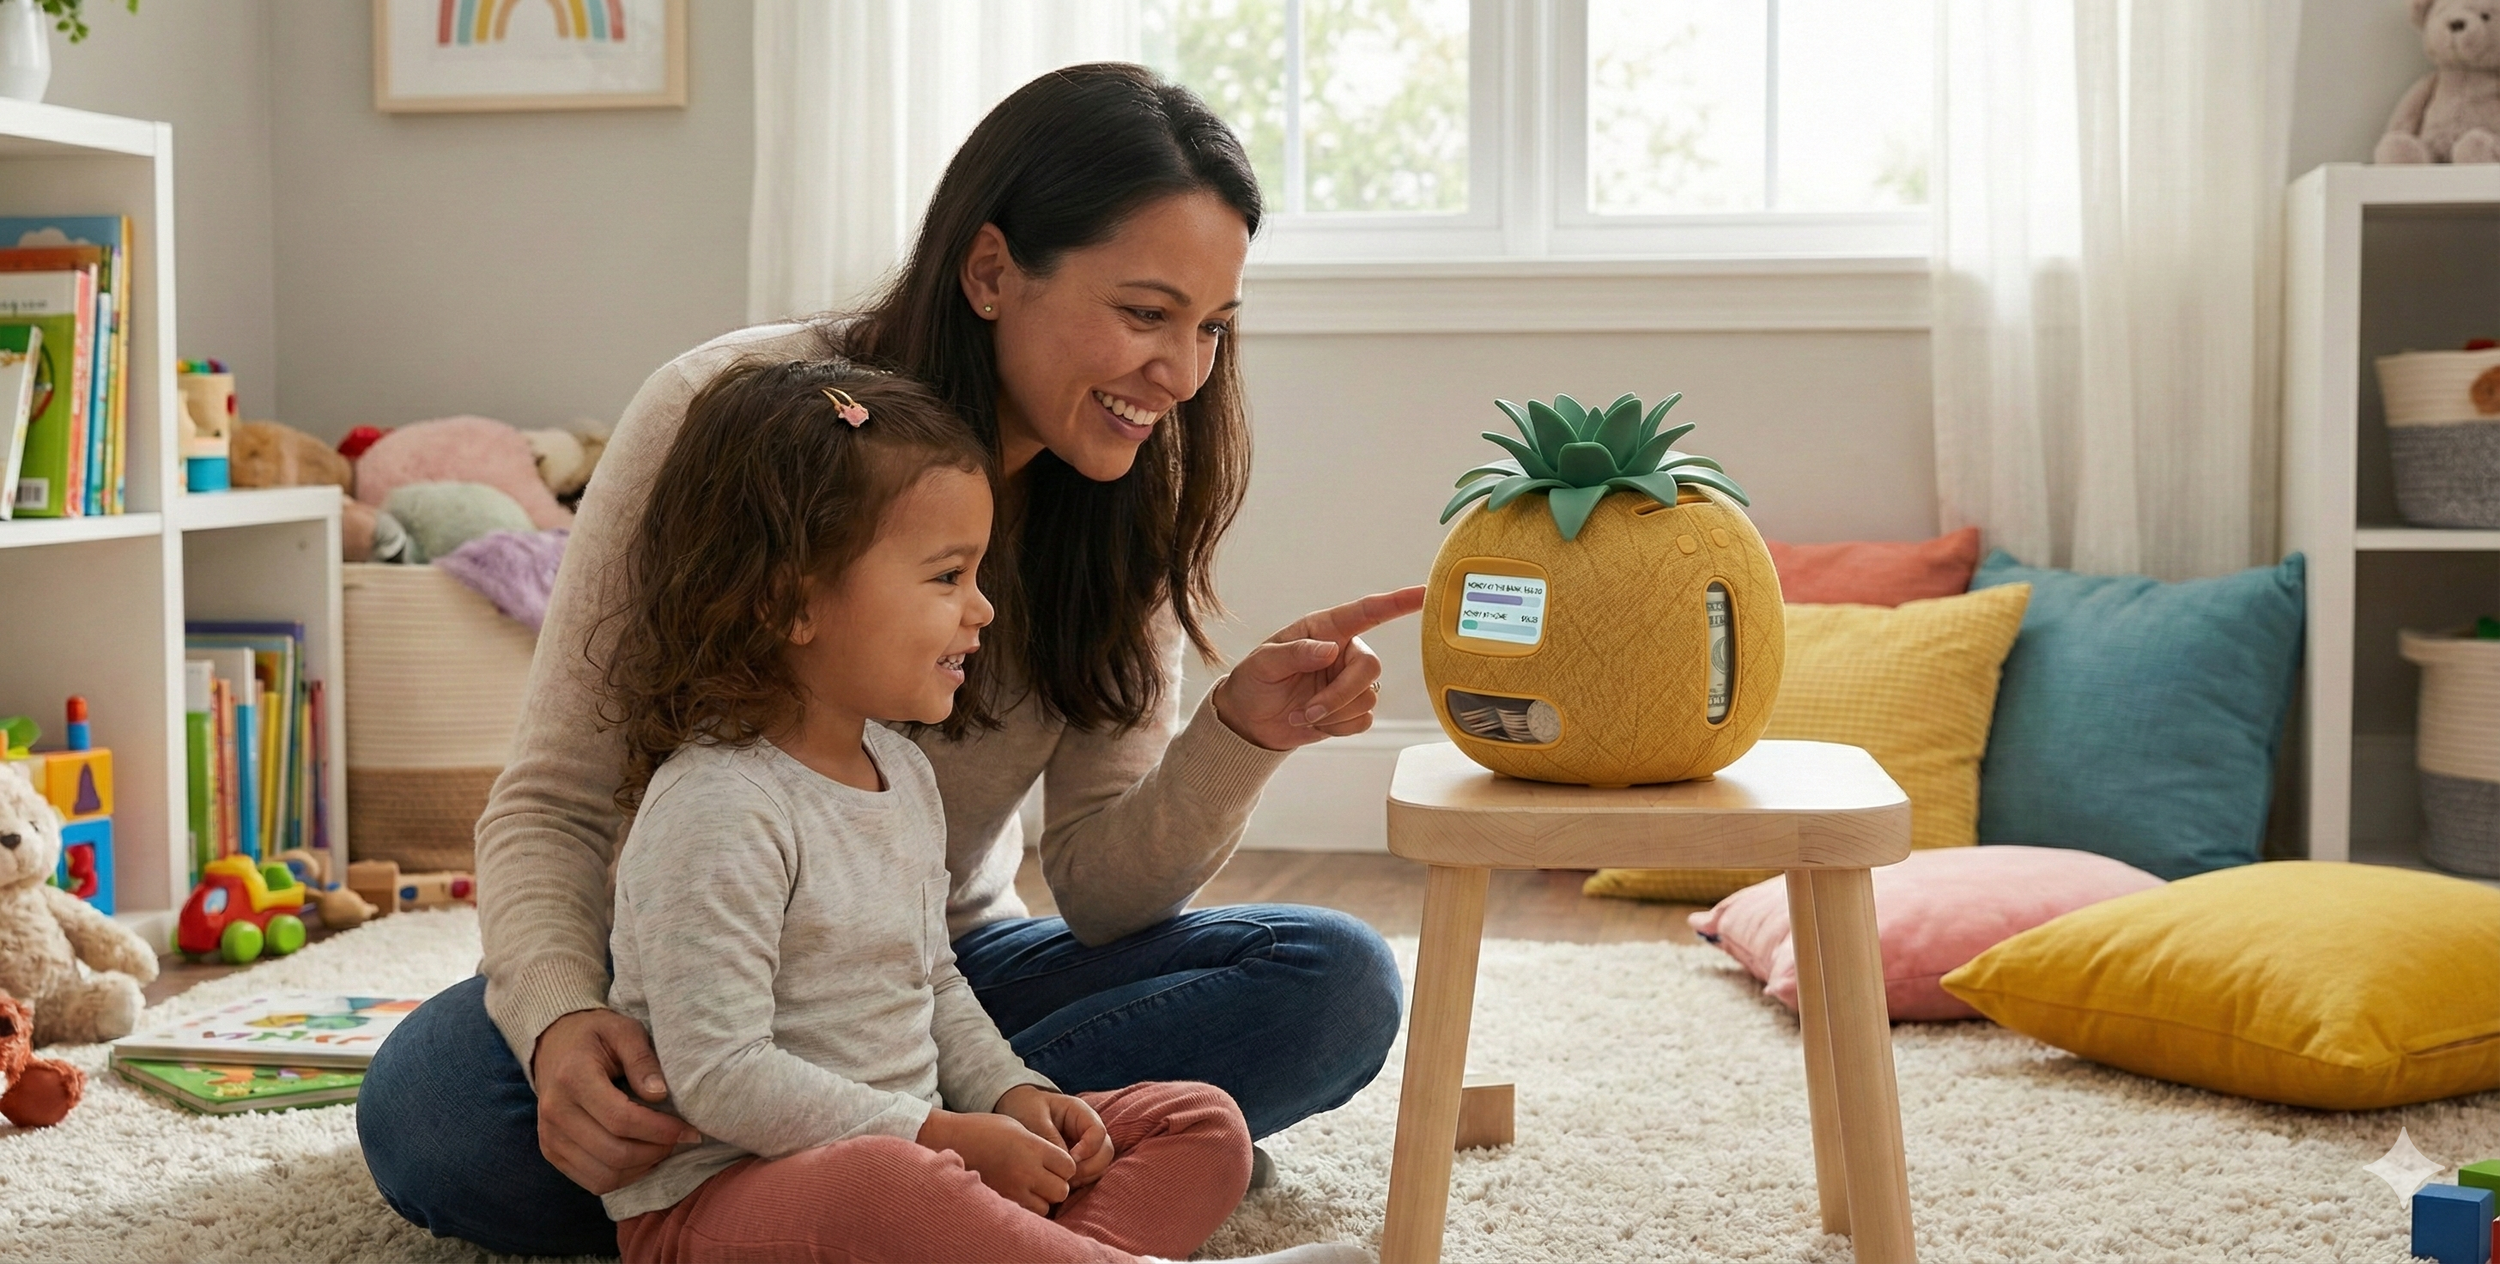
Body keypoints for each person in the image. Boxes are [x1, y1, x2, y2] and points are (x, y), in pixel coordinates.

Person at [359, 63, 1421, 1257]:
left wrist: (1238, 737)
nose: (1180, 376)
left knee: (1332, 980)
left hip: (927, 979)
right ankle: (939, 1195)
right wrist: (561, 1025)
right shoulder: (730, 421)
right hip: (683, 981)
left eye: (1212, 329)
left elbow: (1103, 894)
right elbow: (550, 800)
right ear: (989, 272)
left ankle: (927, 1191)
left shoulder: (1126, 497)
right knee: (439, 1117)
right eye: (1144, 314)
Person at [593, 361, 1357, 1264]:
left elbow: (936, 982)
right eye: (948, 576)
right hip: (723, 1198)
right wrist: (938, 1138)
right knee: (889, 1183)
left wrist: (1009, 1095)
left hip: (915, 1152)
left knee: (1198, 1122)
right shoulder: (718, 805)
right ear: (791, 601)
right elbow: (718, 1078)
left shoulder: (903, 774)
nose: (983, 609)